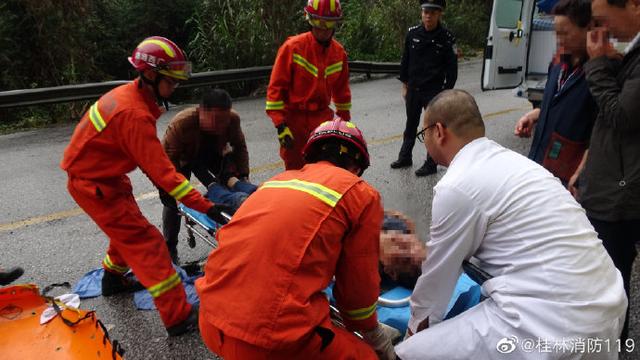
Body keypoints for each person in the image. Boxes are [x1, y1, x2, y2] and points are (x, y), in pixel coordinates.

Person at [394, 90, 627, 359]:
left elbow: (437, 279)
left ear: (439, 131)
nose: (426, 145)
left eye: (424, 136)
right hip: (609, 303)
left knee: (411, 353)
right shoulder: (517, 164)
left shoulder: (456, 185)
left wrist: (414, 331)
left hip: (556, 325)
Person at [60, 36, 230, 336]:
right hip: (94, 184)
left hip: (103, 176)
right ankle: (177, 316)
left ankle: (113, 278)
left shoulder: (129, 96)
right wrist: (208, 207)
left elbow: (150, 165)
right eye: (172, 82)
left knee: (128, 228)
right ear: (151, 75)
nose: (176, 87)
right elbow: (166, 174)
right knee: (147, 243)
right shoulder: (134, 115)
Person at [196, 119, 398, 359]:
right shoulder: (360, 194)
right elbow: (357, 296)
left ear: (310, 157)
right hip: (267, 341)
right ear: (356, 168)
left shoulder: (276, 181)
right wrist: (372, 333)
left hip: (209, 320)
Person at [577, 0, 640, 341]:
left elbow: (621, 116)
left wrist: (598, 64)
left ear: (634, 5)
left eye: (603, 18)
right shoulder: (628, 51)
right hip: (613, 182)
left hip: (621, 194)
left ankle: (614, 342)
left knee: (610, 277)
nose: (600, 27)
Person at [160, 88, 257, 264]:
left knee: (234, 187)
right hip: (183, 158)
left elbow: (240, 147)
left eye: (224, 121)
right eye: (216, 120)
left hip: (212, 153)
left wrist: (243, 176)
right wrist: (175, 194)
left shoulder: (231, 120)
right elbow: (167, 161)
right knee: (173, 205)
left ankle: (230, 210)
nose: (221, 125)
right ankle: (170, 247)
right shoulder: (182, 124)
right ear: (201, 111)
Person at [514, 0, 597, 187]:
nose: (559, 39)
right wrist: (535, 115)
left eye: (565, 33)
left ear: (588, 29)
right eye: (556, 33)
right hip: (541, 165)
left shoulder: (599, 74)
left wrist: (581, 174)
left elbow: (601, 134)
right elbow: (557, 101)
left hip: (569, 177)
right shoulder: (559, 61)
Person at [265, 0, 352, 170]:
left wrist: (344, 124)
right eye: (318, 24)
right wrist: (280, 125)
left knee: (325, 169)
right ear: (310, 20)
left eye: (328, 24)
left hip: (322, 119)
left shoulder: (338, 53)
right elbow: (276, 89)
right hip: (294, 121)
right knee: (295, 170)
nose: (323, 30)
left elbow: (342, 93)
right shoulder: (292, 48)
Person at [390, 0, 457, 177]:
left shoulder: (447, 37)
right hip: (413, 88)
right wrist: (405, 85)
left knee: (432, 128)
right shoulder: (412, 34)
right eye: (426, 12)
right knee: (410, 124)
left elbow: (452, 69)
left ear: (439, 14)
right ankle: (405, 157)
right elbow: (405, 61)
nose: (428, 16)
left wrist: (446, 92)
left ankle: (431, 162)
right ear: (421, 13)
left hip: (434, 91)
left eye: (433, 13)